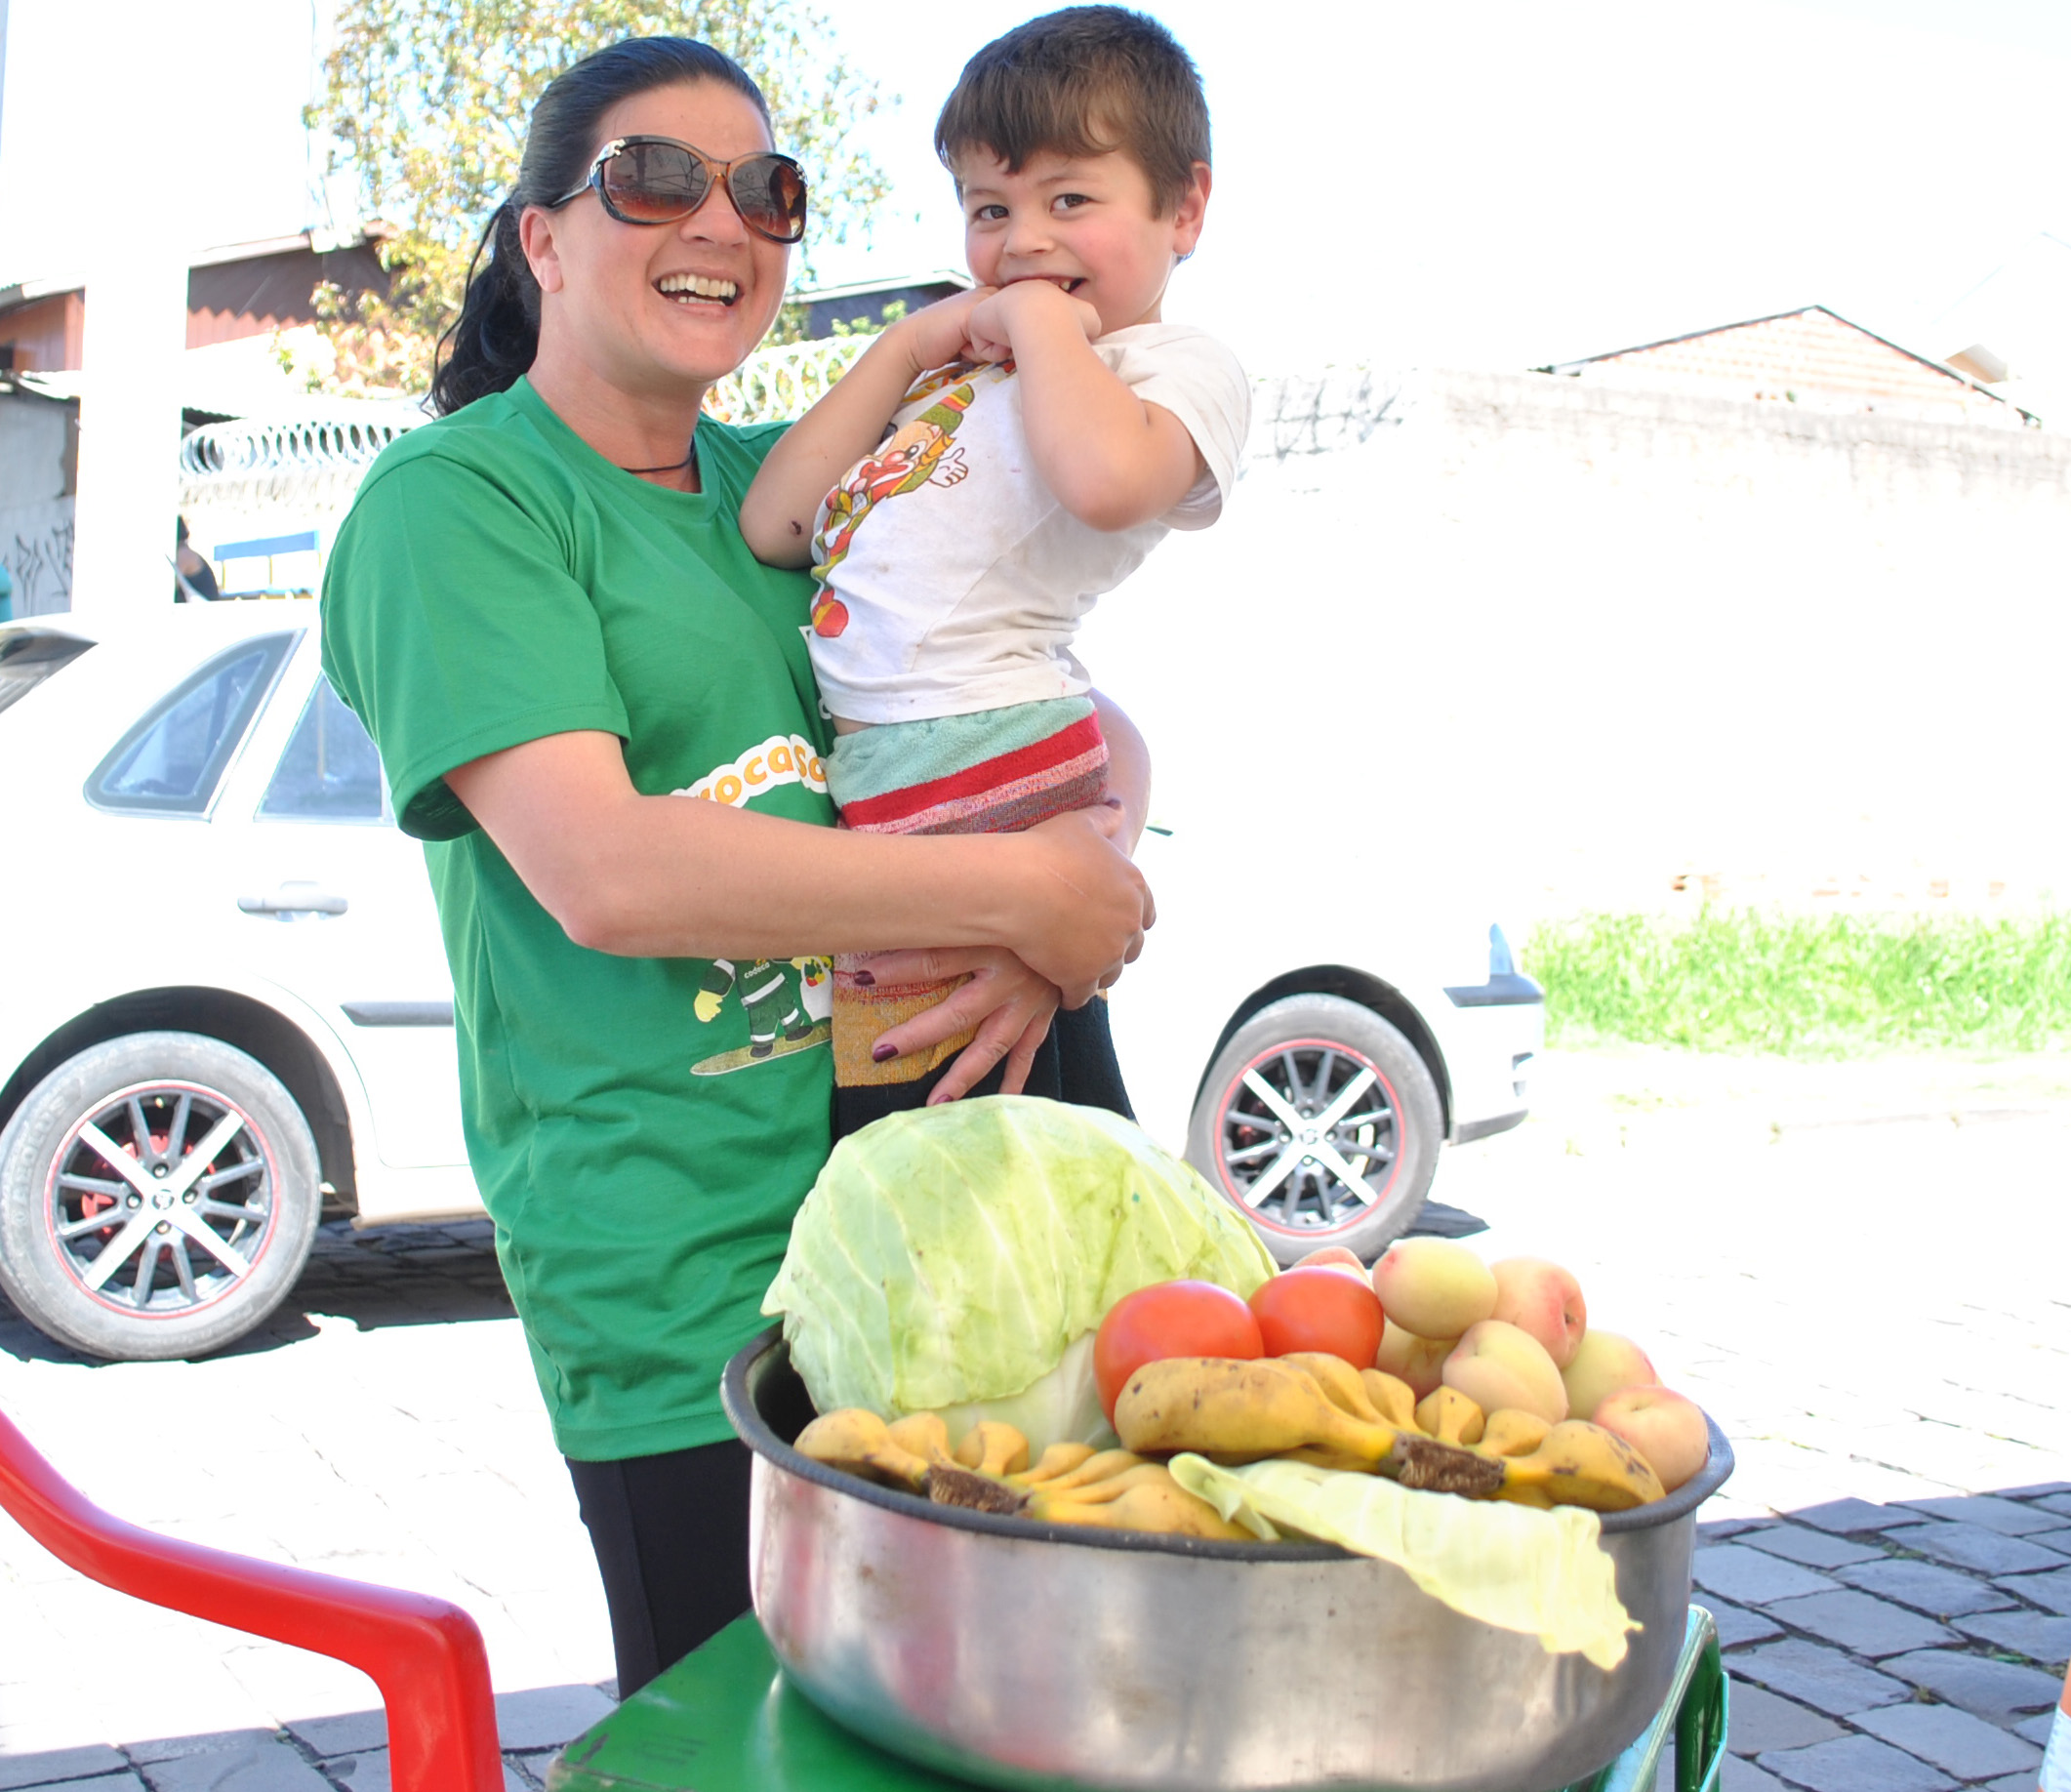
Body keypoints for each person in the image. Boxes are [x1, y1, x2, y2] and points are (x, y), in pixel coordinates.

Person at [317, 37, 1155, 1697]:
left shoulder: (794, 489)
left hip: (956, 1219)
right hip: (691, 1271)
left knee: (1018, 1713)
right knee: (743, 1733)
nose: (719, 219)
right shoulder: (457, 505)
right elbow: (603, 872)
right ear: (541, 238)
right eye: (651, 177)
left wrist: (1066, 904)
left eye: (764, 190)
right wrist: (1014, 898)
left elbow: (1084, 715)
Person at [739, 6, 1247, 1135]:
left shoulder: (1173, 366)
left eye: (1071, 198)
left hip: (997, 770)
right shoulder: (959, 373)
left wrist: (1036, 325)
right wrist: (909, 348)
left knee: (996, 1109)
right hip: (890, 777)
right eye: (989, 209)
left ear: (1186, 208)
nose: (1023, 240)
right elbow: (776, 525)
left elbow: (1104, 482)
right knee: (912, 1126)